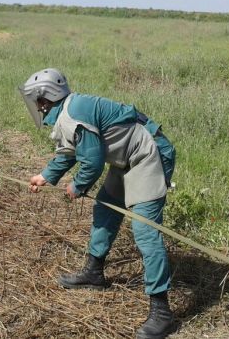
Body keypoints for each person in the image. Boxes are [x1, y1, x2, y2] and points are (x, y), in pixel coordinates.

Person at [19, 68, 177, 339]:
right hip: (126, 158)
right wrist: (45, 176)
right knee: (105, 208)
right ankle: (94, 273)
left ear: (45, 98)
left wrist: (78, 186)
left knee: (145, 233)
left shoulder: (73, 112)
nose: (37, 107)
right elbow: (70, 151)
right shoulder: (69, 111)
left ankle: (162, 312)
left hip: (149, 154)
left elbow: (91, 162)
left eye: (37, 102)